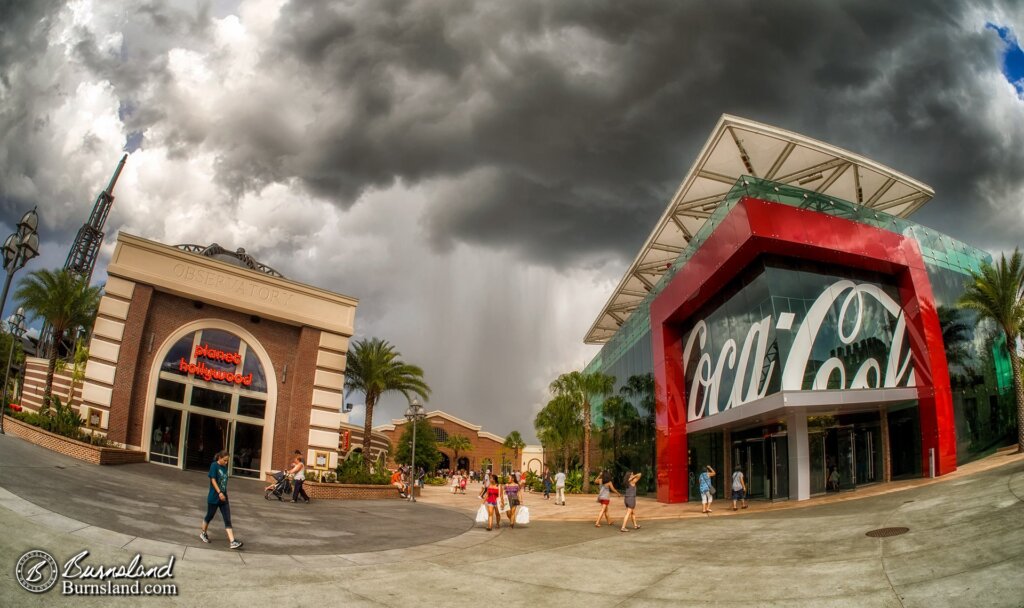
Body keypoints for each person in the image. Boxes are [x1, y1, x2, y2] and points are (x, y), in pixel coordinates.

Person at [200, 450, 243, 549]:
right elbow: (213, 479)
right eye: (225, 460)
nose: (226, 462)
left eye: (227, 461)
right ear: (219, 458)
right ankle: (203, 533)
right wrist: (219, 492)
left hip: (224, 498)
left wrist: (223, 494)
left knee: (227, 518)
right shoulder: (214, 466)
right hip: (214, 497)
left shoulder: (224, 468)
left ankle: (232, 541)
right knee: (209, 516)